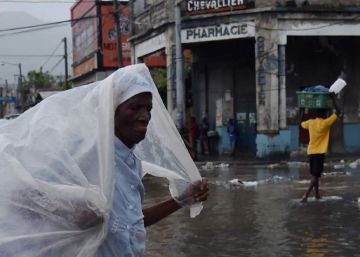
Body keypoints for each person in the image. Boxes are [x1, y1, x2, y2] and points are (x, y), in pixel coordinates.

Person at [0, 64, 208, 257]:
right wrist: (70, 210)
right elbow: (21, 194)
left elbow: (130, 223)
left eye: (148, 108)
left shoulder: (132, 162)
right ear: (111, 110)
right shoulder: (83, 152)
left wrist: (181, 200)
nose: (145, 116)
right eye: (135, 107)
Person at [300, 93, 341, 203]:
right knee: (315, 175)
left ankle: (317, 194)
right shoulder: (326, 123)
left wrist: (303, 110)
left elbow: (302, 123)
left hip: (311, 151)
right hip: (319, 152)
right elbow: (339, 112)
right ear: (324, 114)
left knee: (315, 174)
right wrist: (333, 99)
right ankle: (306, 195)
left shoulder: (310, 123)